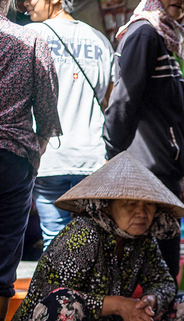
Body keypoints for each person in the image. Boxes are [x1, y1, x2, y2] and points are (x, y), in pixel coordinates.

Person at [4, 152, 184, 321]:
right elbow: (54, 298)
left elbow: (164, 282)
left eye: (148, 204)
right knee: (67, 306)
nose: (142, 213)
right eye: (131, 204)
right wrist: (118, 305)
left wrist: (148, 302)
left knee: (183, 307)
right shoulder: (84, 233)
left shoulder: (143, 238)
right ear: (106, 207)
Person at [103, 0, 184, 279]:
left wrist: (178, 175)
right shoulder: (145, 33)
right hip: (144, 176)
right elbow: (123, 101)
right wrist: (113, 155)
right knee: (154, 273)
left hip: (162, 175)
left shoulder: (164, 38)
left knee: (163, 271)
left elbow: (166, 116)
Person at [22, 0, 113, 249]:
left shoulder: (30, 36)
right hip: (92, 157)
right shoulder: (99, 40)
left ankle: (58, 289)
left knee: (55, 243)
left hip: (48, 157)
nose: (26, 3)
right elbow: (109, 98)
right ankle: (88, 289)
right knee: (94, 243)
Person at [0, 0, 61, 321]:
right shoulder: (31, 40)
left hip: (16, 158)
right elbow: (48, 114)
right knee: (3, 264)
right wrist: (35, 151)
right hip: (14, 160)